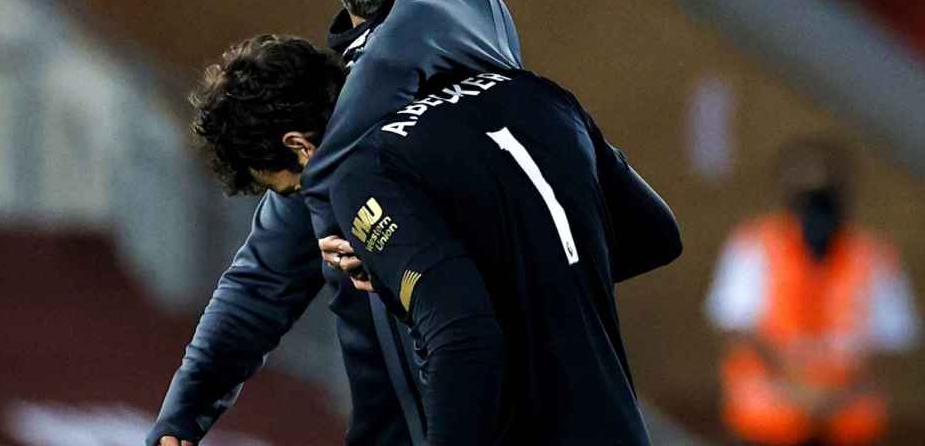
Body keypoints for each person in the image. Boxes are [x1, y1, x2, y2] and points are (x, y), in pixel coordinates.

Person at [148, 0, 529, 444]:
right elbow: (259, 283)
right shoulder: (341, 101)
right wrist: (181, 416)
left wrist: (340, 191)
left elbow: (402, 47)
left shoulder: (457, 2)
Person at [185, 33, 682, 444]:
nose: (313, 206)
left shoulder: (362, 171)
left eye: (295, 188)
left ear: (299, 146)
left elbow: (463, 334)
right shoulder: (533, 93)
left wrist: (417, 274)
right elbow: (655, 235)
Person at [705, 137, 920, 446]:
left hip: (848, 424)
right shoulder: (754, 246)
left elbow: (891, 342)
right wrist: (800, 392)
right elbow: (737, 327)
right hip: (767, 424)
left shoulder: (873, 256)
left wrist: (834, 395)